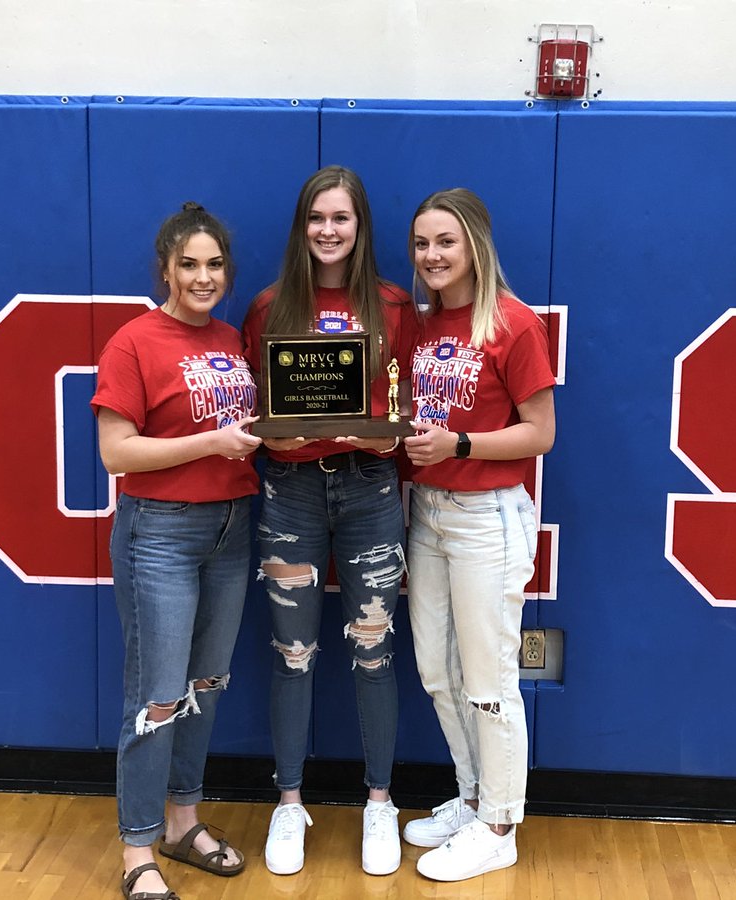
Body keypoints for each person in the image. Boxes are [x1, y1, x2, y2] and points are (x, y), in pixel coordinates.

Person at [240, 165, 417, 877]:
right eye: (317, 217)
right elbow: (255, 404)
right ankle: (289, 802)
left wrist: (392, 438)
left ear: (361, 227)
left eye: (341, 218)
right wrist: (268, 438)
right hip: (290, 491)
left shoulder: (395, 306)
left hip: (371, 489)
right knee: (292, 653)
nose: (328, 230)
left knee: (373, 647)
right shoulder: (270, 305)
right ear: (301, 225)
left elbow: (411, 409)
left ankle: (380, 801)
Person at [91, 203, 262, 900]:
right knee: (156, 696)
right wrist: (211, 443)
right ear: (164, 268)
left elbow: (250, 426)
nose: (202, 276)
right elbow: (115, 451)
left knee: (204, 687)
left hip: (230, 527)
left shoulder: (231, 337)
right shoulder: (134, 342)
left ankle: (182, 823)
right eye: (188, 263)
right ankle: (137, 851)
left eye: (214, 264)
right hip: (159, 531)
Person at [400, 188, 556, 882]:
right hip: (427, 512)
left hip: (486, 516)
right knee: (438, 671)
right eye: (422, 244)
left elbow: (540, 432)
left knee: (489, 679)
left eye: (445, 242)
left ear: (475, 247)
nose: (432, 256)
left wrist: (459, 443)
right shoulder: (423, 326)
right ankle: (472, 796)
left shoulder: (512, 323)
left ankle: (501, 824)